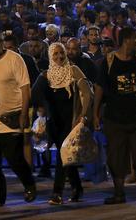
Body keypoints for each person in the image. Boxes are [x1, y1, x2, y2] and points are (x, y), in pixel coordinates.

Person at [94, 27, 136, 204]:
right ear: (126, 41)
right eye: (135, 39)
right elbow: (99, 88)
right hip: (114, 118)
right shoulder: (108, 61)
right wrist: (95, 113)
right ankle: (119, 193)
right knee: (116, 158)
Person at [31, 42, 93, 205]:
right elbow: (34, 95)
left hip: (71, 122)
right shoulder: (46, 75)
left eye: (61, 53)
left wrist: (83, 115)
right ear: (50, 56)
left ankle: (57, 192)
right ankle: (77, 188)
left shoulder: (73, 71)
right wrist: (41, 110)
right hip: (54, 123)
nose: (59, 57)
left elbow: (87, 93)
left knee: (61, 155)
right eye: (55, 54)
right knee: (65, 156)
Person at [0, 29, 37, 207]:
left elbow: (25, 88)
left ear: (0, 42)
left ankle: (29, 184)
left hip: (12, 119)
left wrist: (23, 114)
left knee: (15, 159)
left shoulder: (14, 59)